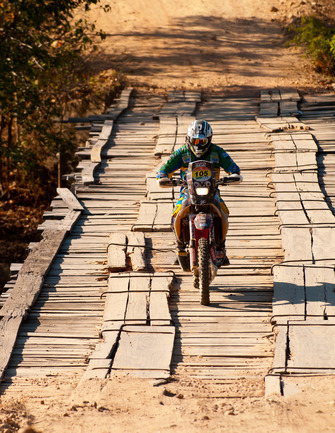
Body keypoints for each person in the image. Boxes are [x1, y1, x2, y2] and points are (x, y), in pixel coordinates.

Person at [156, 119, 241, 266]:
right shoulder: (182, 153)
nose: (198, 145)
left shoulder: (217, 152)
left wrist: (234, 174)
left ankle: (221, 245)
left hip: (212, 191)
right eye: (195, 141)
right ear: (188, 139)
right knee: (176, 213)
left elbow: (233, 167)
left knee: (223, 211)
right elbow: (165, 167)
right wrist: (163, 176)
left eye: (202, 141)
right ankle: (180, 245)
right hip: (187, 191)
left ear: (209, 140)